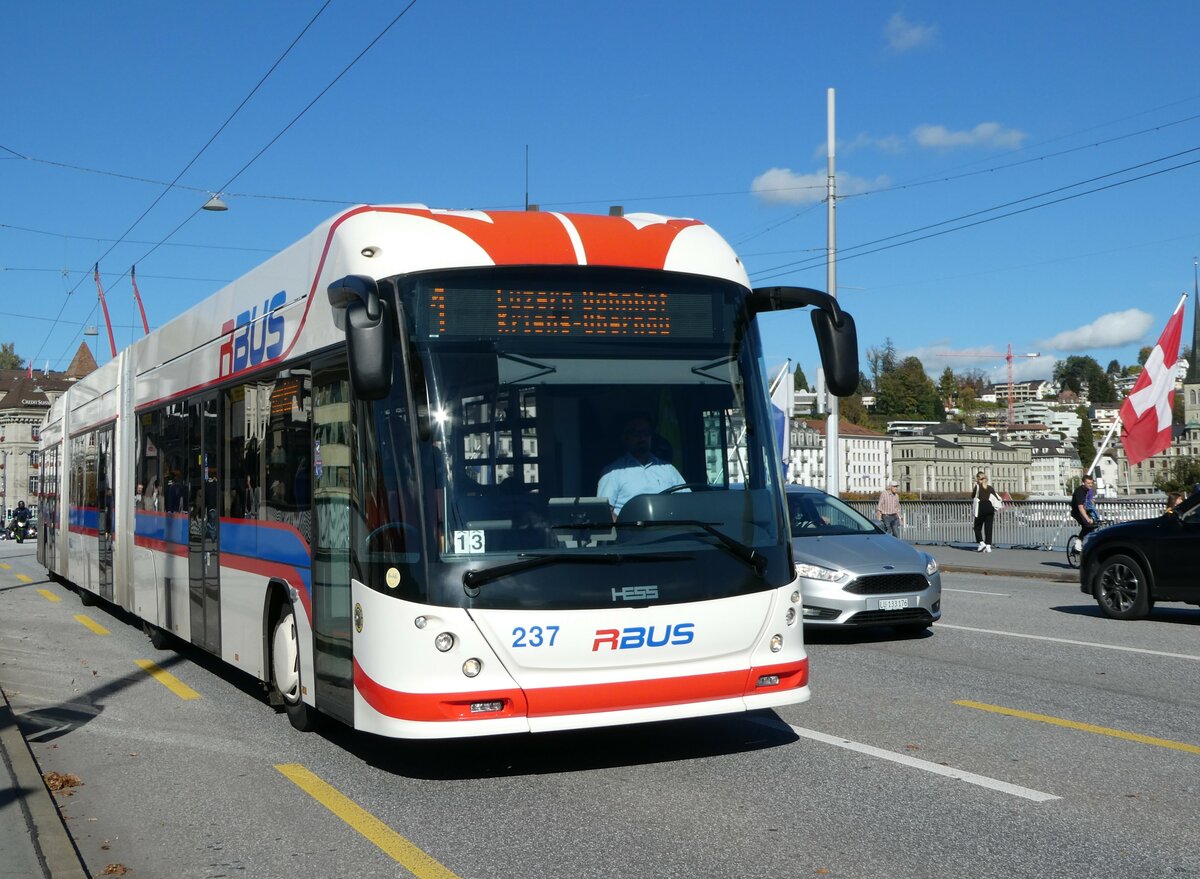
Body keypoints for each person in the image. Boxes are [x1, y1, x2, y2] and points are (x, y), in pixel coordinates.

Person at [597, 413, 685, 517]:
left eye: (646, 433)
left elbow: (687, 501)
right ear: (625, 437)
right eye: (636, 433)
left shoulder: (668, 469)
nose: (642, 438)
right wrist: (623, 530)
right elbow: (604, 511)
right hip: (631, 531)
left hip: (670, 530)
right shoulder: (612, 472)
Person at [971, 471, 1002, 553]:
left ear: (978, 479)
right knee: (988, 527)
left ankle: (981, 543)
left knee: (977, 527)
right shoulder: (990, 487)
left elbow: (973, 496)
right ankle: (988, 546)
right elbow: (997, 497)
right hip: (990, 507)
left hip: (981, 507)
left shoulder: (977, 487)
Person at [1070, 473, 1098, 544]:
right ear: (1083, 483)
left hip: (1085, 510)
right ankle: (1079, 542)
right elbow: (1080, 507)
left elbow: (1090, 501)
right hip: (1077, 512)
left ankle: (1084, 543)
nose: (1090, 485)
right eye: (1088, 483)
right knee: (1088, 526)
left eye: (1091, 483)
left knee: (1094, 524)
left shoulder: (1088, 490)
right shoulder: (1080, 491)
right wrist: (1087, 519)